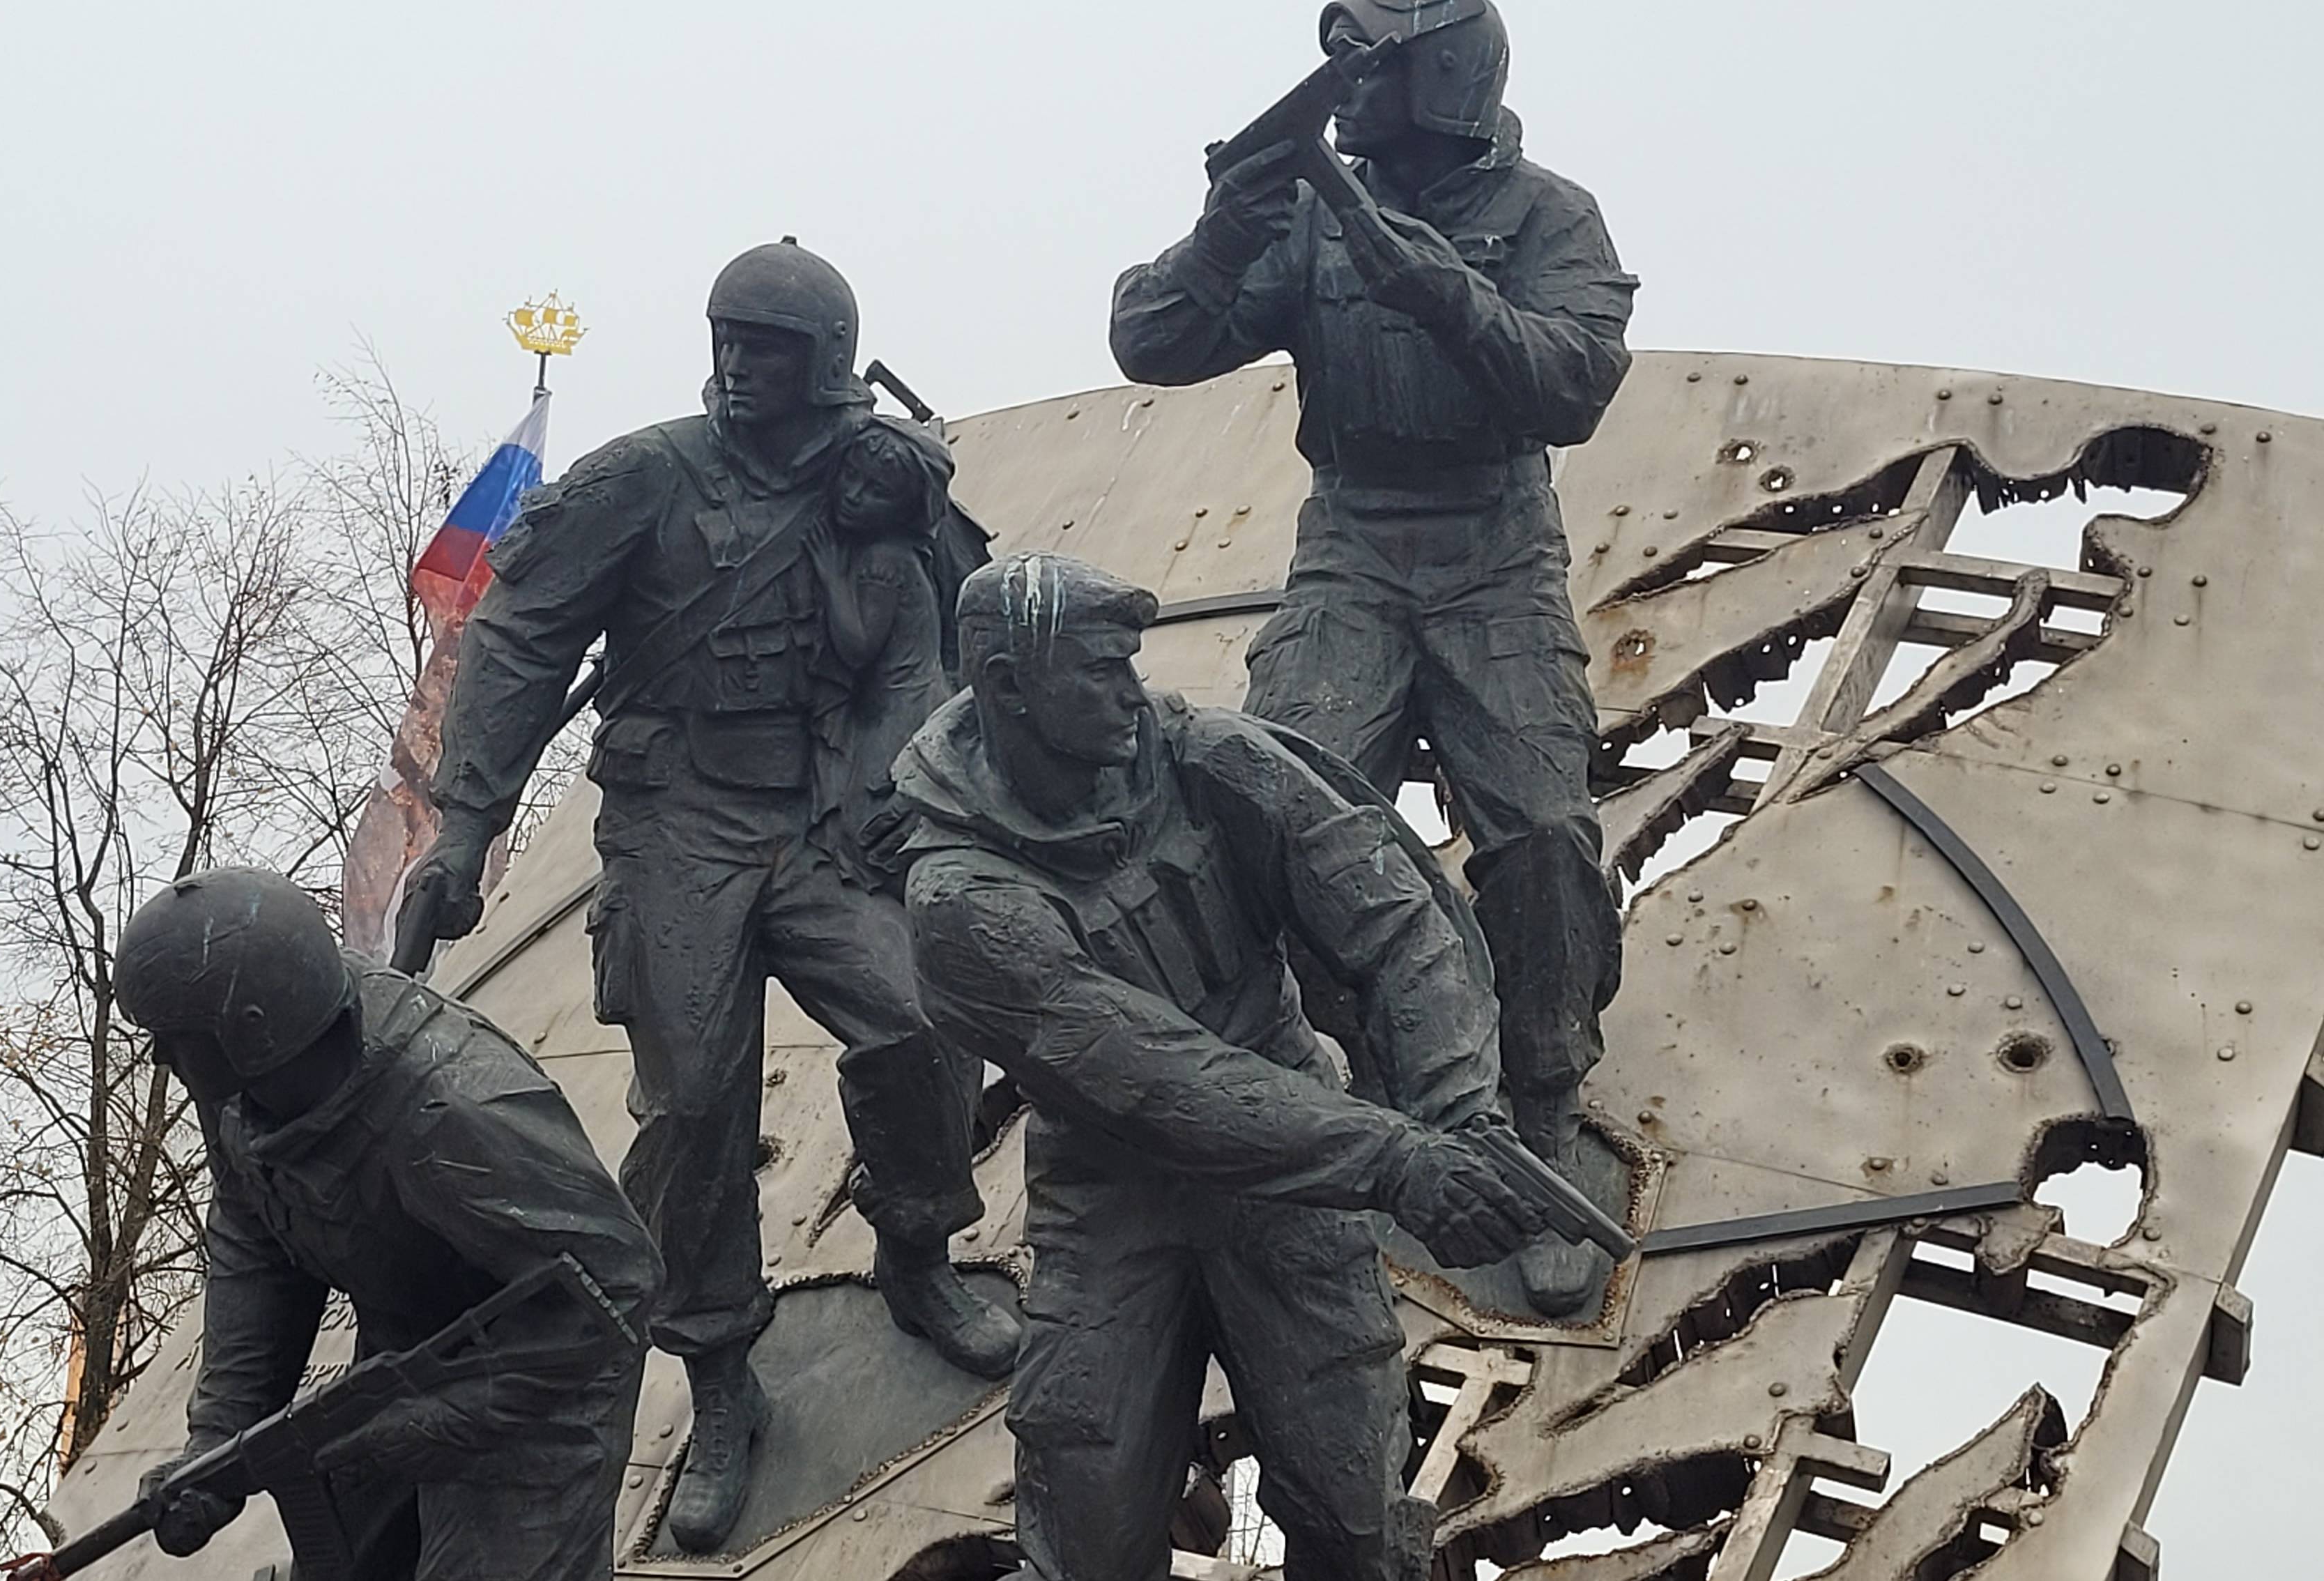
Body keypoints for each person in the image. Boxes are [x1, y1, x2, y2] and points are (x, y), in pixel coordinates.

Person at [402, 240, 1017, 1553]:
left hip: (821, 818)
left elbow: (962, 634)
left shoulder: (879, 475)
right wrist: (466, 824)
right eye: (726, 338)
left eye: (768, 347)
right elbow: (520, 634)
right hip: (674, 820)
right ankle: (724, 1371)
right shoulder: (643, 475)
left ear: (828, 362)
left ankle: (918, 1253)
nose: (738, 365)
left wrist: (920, 521)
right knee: (692, 1107)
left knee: (923, 1017)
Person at [1108, 0, 1635, 1315]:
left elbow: (1573, 383)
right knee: (1278, 798)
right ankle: (1337, 1070)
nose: (1343, 89)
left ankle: (1542, 1097)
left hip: (1494, 544)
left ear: (1441, 74)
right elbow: (1151, 341)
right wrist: (1227, 226)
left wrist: (1441, 290)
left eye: (1369, 65)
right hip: (1352, 538)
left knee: (1542, 829)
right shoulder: (1302, 213)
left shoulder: (1551, 216)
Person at [896, 553, 1545, 1581]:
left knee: (1353, 1507)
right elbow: (1158, 1079)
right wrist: (1400, 1160)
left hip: (1291, 1173)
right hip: (1114, 1192)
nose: (1131, 691)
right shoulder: (958, 900)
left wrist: (1460, 1110)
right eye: (1099, 670)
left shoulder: (1210, 756)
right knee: (1086, 1504)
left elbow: (1395, 922)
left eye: (1130, 663)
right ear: (1011, 689)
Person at [116, 867, 658, 1581]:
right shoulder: (247, 1086)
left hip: (544, 1385)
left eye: (175, 1038)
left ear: (250, 1027)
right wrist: (219, 1442)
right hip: (405, 1365)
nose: (161, 1056)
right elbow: (256, 1239)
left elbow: (617, 1287)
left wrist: (441, 1421)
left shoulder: (454, 1110)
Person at [809, 422, 965, 889]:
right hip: (909, 702)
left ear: (906, 508)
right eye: (851, 476)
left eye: (877, 491)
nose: (854, 496)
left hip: (899, 713)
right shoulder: (898, 554)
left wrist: (830, 578)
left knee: (871, 822)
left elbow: (858, 647)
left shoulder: (884, 560)